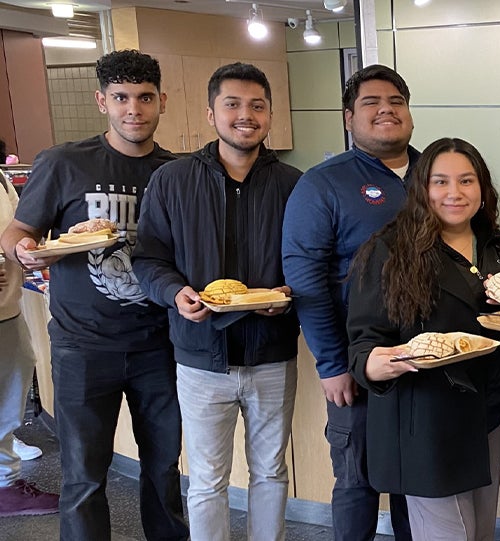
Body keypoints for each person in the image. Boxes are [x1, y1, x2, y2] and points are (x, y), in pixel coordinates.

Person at [0, 50, 187, 541]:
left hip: (158, 344)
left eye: (145, 98)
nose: (134, 110)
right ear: (101, 100)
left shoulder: (176, 173)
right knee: (83, 478)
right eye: (121, 98)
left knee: (165, 470)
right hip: (82, 346)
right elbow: (19, 231)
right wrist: (25, 252)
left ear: (161, 101)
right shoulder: (64, 162)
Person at [132, 62, 301, 541]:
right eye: (232, 104)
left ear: (269, 115)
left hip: (271, 352)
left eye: (257, 106)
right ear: (211, 113)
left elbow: (310, 262)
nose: (245, 115)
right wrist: (175, 293)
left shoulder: (294, 183)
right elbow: (149, 258)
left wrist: (288, 294)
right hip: (200, 356)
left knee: (271, 471)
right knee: (207, 479)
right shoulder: (172, 180)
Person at [346, 137, 500, 541]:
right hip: (427, 417)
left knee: (481, 530)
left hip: (492, 411)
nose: (454, 193)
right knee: (447, 534)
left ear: (483, 188)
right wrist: (378, 364)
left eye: (466, 181)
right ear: (421, 190)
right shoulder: (390, 252)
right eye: (440, 182)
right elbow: (364, 342)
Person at [281, 63, 414, 541]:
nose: (386, 110)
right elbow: (305, 279)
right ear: (348, 117)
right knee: (357, 480)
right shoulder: (324, 183)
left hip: (425, 358)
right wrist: (333, 362)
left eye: (396, 101)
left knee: (416, 485)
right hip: (357, 362)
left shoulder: (435, 173)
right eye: (371, 103)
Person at [0, 169, 59, 518]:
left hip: (7, 308)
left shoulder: (2, 179)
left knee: (12, 388)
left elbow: (17, 231)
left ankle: (6, 484)